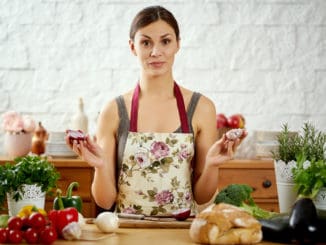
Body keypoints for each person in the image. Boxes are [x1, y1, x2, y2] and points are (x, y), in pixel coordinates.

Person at [66, 5, 246, 216]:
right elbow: (105, 201)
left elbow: (202, 196)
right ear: (133, 47)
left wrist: (213, 165)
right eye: (145, 42)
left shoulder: (201, 108)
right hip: (128, 233)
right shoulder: (114, 110)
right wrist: (99, 166)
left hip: (182, 234)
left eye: (165, 41)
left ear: (178, 44)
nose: (155, 52)